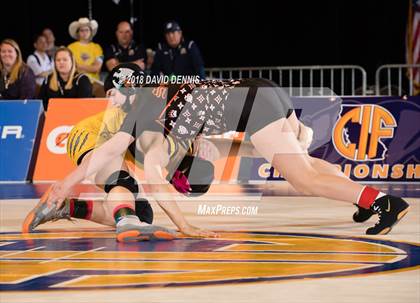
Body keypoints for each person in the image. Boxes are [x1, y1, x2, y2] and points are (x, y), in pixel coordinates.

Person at [44, 77, 410, 237]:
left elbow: (133, 166)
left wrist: (184, 224)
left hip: (254, 108)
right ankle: (360, 197)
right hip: (261, 92)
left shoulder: (152, 135)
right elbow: (240, 146)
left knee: (302, 178)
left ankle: (383, 202)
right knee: (306, 166)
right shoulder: (157, 105)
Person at [23, 63, 217, 241]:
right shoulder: (159, 129)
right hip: (91, 135)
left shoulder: (182, 136)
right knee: (122, 181)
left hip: (105, 142)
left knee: (142, 213)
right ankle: (126, 222)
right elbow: (154, 184)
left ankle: (67, 207)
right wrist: (184, 226)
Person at [68, 17, 103, 83]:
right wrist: (91, 67)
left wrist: (79, 66)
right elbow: (70, 68)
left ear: (91, 32)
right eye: (82, 30)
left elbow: (97, 68)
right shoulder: (70, 47)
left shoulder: (97, 47)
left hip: (94, 82)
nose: (85, 33)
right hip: (76, 82)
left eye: (87, 30)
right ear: (77, 32)